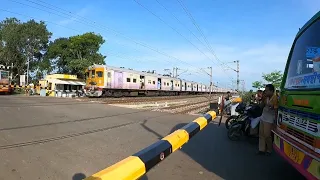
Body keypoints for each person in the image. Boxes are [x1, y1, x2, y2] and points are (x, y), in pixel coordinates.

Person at [257, 84, 278, 156]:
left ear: (272, 91)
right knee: (261, 134)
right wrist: (262, 99)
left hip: (269, 119)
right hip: (263, 117)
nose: (265, 92)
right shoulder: (266, 97)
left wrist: (275, 120)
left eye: (267, 90)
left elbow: (275, 110)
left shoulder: (275, 98)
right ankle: (261, 149)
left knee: (267, 135)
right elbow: (262, 106)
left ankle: (269, 149)